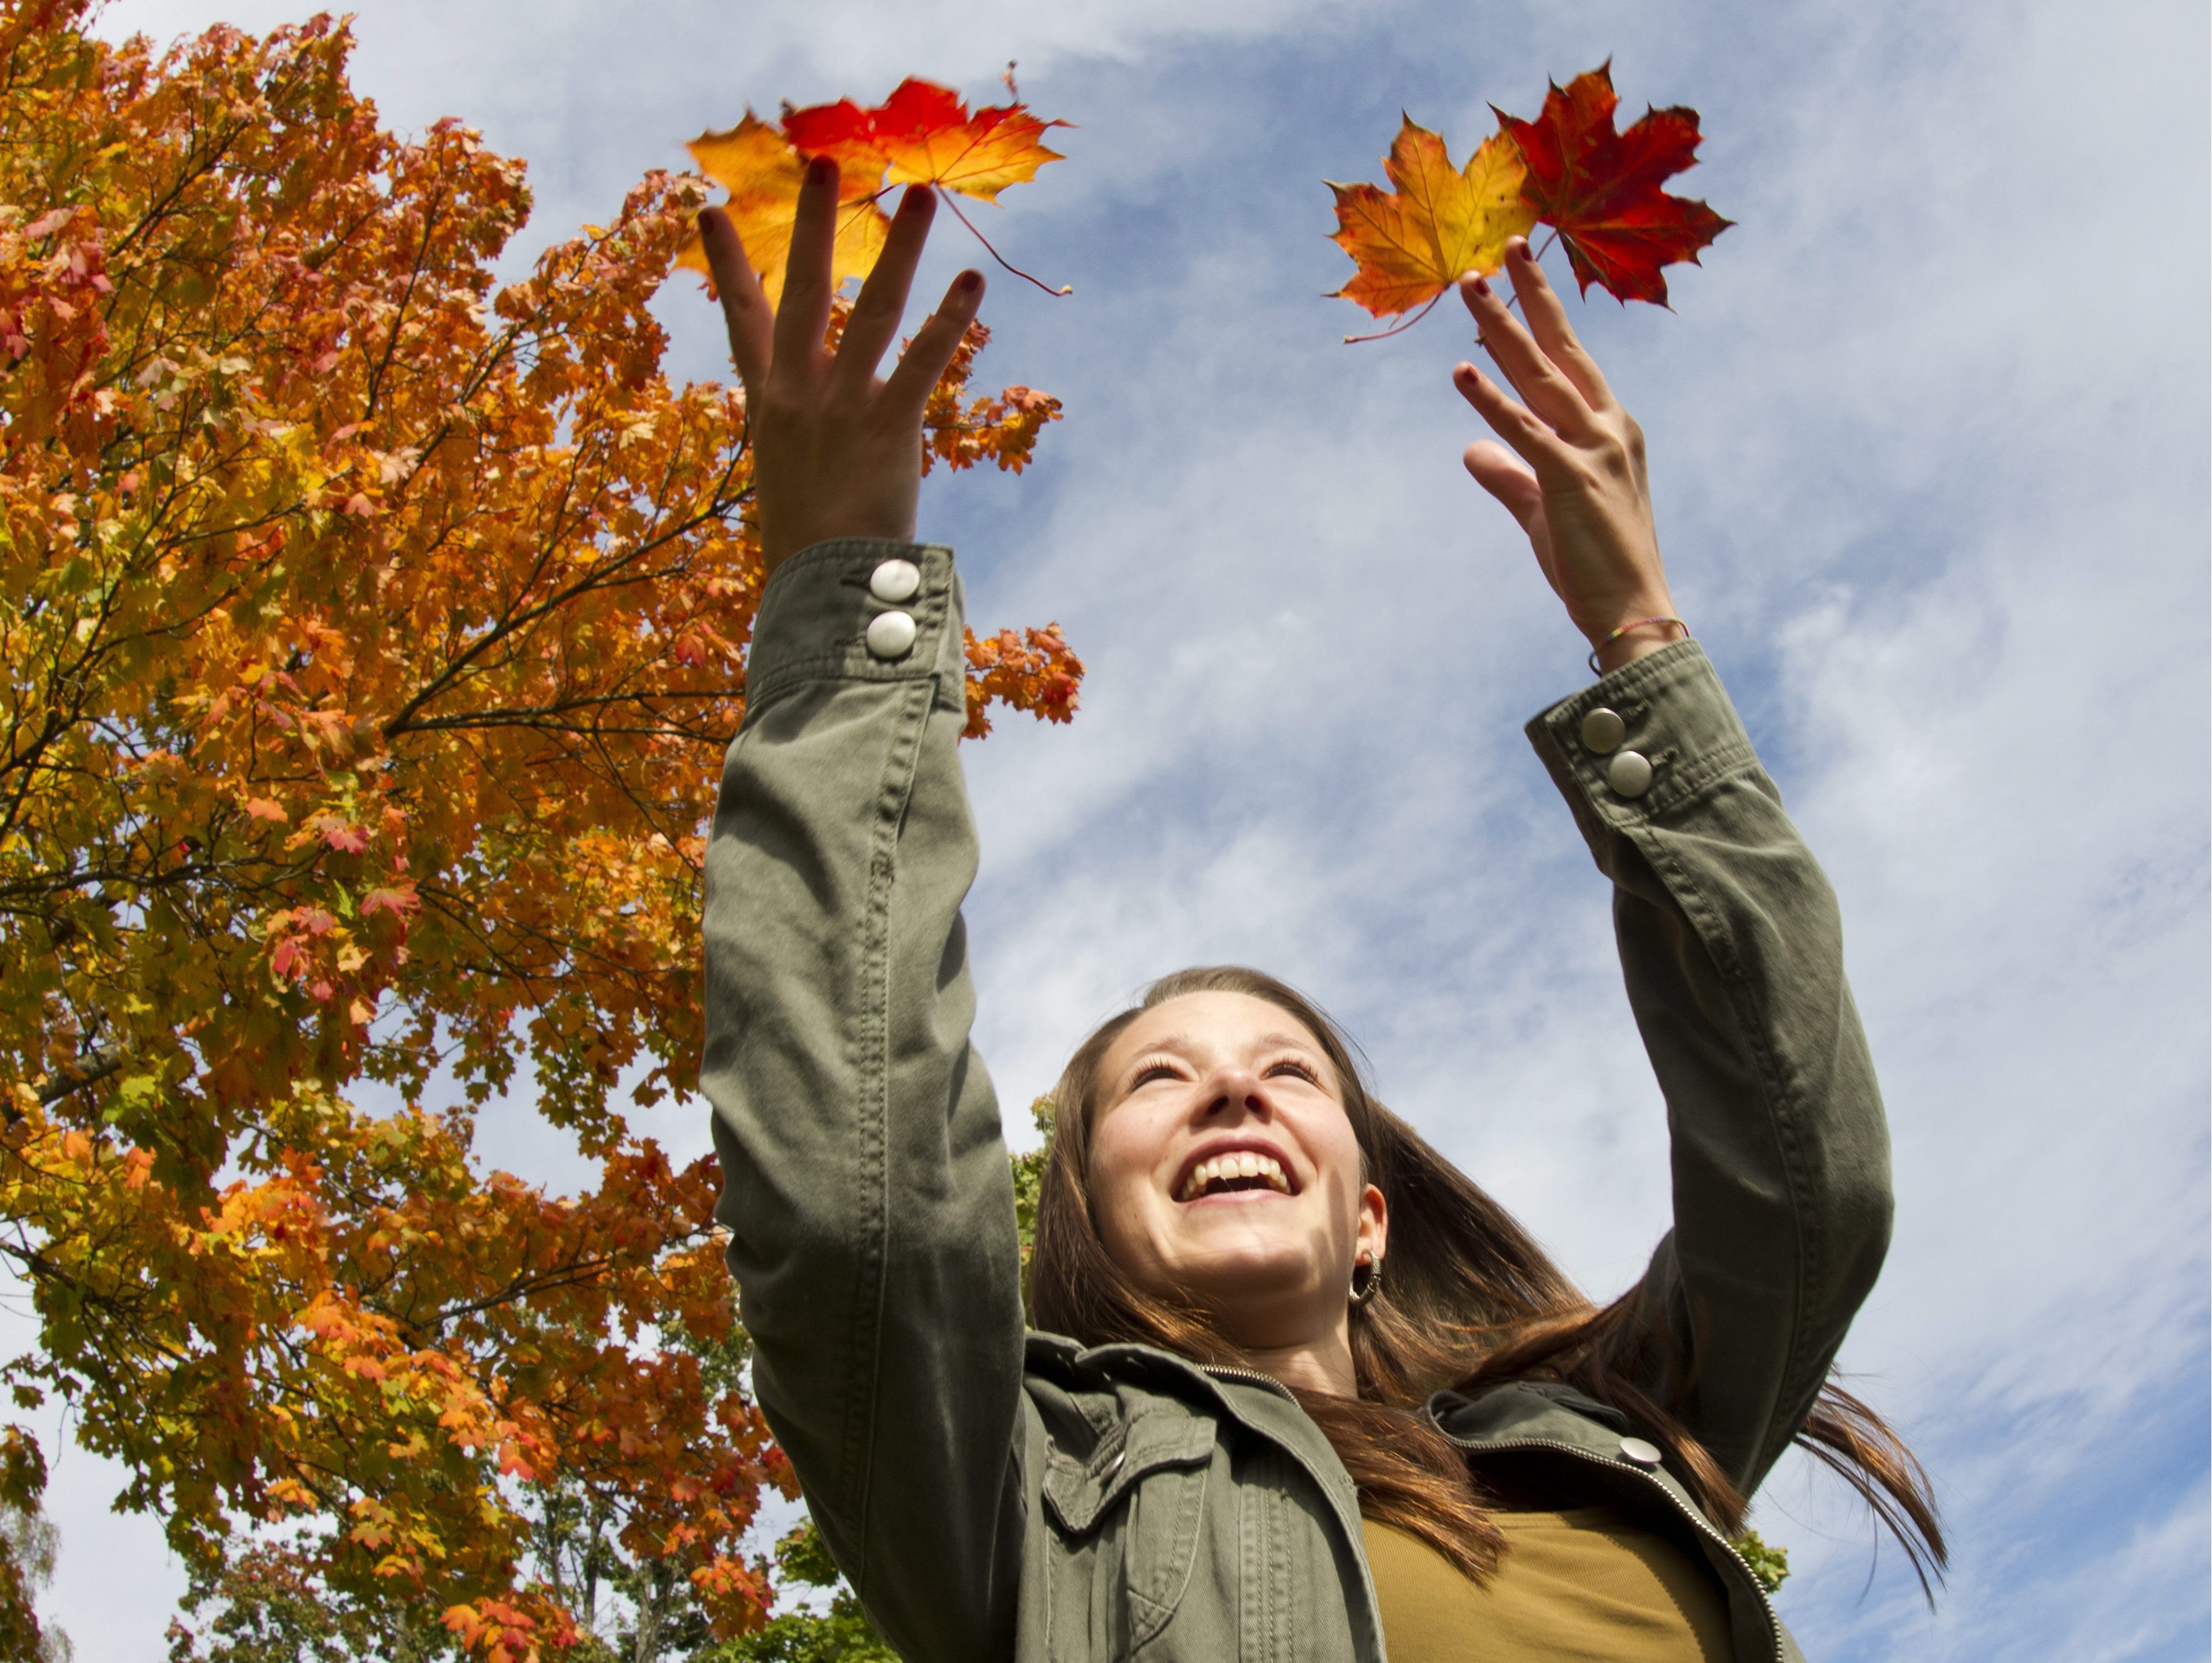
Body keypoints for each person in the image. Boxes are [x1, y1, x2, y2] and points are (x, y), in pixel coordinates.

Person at [696, 161, 1942, 1663]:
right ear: (1081, 1208)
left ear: (1367, 1217)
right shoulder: (1015, 1487)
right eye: (1156, 1080)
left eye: (1288, 1072)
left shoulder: (1622, 1432)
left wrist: (1640, 639)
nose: (1228, 1082)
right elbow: (856, 1200)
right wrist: (842, 597)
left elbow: (1810, 1177)